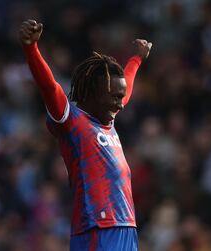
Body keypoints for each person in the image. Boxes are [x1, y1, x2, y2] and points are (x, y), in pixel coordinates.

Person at [19, 19, 152, 251]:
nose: (120, 105)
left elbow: (126, 90)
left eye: (119, 99)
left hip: (126, 227)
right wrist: (31, 49)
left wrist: (136, 59)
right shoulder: (72, 121)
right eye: (114, 98)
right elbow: (50, 87)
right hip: (96, 229)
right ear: (93, 94)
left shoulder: (108, 119)